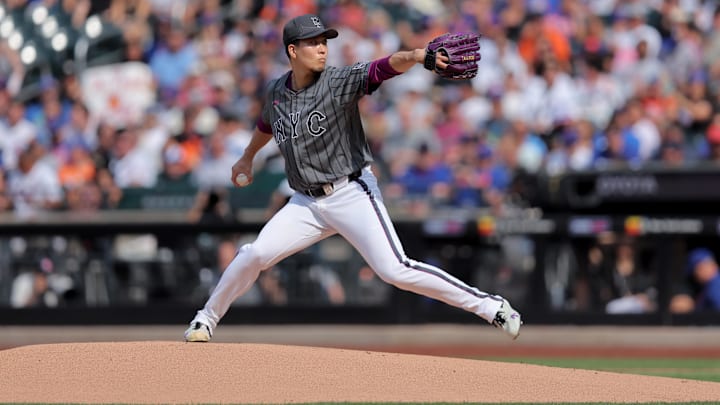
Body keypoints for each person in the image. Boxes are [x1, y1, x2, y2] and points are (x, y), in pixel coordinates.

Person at [184, 14, 522, 342]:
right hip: (305, 203)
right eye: (313, 42)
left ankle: (491, 306)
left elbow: (383, 67)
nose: (322, 48)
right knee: (254, 254)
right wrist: (247, 157)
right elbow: (266, 124)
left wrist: (418, 56)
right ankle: (206, 319)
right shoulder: (277, 91)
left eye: (323, 42)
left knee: (395, 270)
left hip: (351, 192)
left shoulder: (336, 81)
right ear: (292, 51)